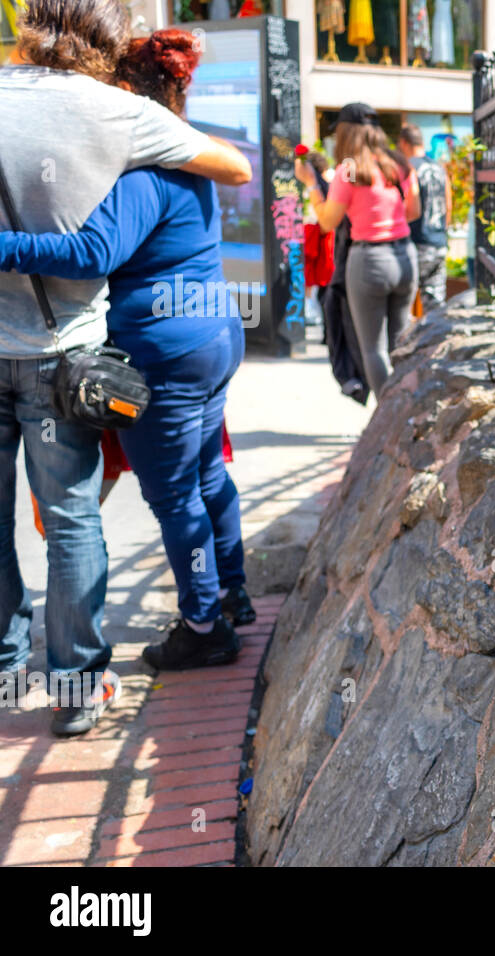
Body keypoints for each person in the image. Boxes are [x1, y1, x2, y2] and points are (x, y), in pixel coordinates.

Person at [0, 0, 250, 735]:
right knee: (199, 480)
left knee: (172, 497)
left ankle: (206, 625)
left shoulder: (141, 175)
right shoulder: (182, 159)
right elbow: (233, 164)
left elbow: (89, 254)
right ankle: (220, 600)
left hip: (156, 348)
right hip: (202, 335)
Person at [297, 103, 419, 394]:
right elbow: (413, 210)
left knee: (372, 349)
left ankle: (387, 417)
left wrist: (312, 186)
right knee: (399, 343)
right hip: (404, 257)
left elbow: (327, 221)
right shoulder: (398, 164)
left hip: (369, 261)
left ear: (345, 133)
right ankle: (405, 411)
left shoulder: (350, 170)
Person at [396, 124, 450, 314]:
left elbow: (408, 206)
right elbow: (448, 204)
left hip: (416, 242)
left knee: (404, 306)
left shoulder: (408, 168)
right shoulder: (438, 167)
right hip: (439, 241)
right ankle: (434, 342)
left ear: (404, 143)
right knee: (435, 306)